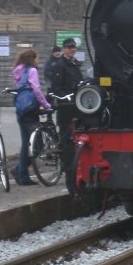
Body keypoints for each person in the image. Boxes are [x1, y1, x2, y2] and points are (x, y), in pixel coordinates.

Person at [11, 49, 52, 186]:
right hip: (31, 110)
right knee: (37, 145)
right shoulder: (32, 71)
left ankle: (21, 173)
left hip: (21, 109)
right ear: (32, 59)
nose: (38, 61)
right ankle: (20, 172)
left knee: (25, 143)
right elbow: (36, 90)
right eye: (37, 58)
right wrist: (46, 105)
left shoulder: (18, 70)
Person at [51, 38, 85, 193]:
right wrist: (68, 96)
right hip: (66, 109)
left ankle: (77, 177)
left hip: (76, 107)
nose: (72, 50)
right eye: (69, 47)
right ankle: (70, 181)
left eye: (74, 47)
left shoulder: (74, 64)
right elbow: (57, 88)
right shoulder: (60, 66)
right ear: (64, 49)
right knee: (67, 145)